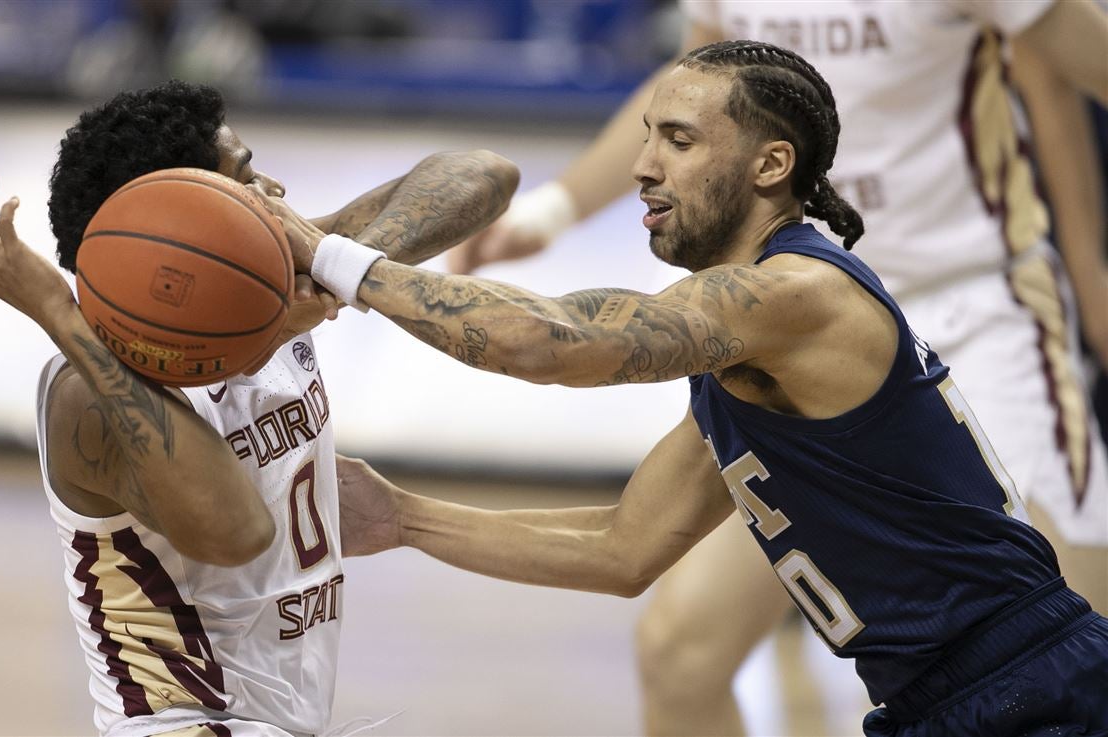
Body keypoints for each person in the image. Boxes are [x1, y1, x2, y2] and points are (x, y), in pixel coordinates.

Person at [266, 41, 1108, 736]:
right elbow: (623, 548)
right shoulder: (747, 359)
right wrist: (405, 518)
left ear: (770, 163)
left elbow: (555, 343)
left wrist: (329, 256)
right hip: (949, 702)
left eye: (677, 140)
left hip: (1032, 693)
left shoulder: (796, 296)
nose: (641, 166)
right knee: (677, 647)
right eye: (646, 137)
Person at [0, 80, 519, 737]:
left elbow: (483, 174)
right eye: (248, 178)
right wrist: (59, 316)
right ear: (191, 219)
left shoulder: (265, 280)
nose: (275, 189)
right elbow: (235, 530)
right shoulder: (89, 387)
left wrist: (336, 269)